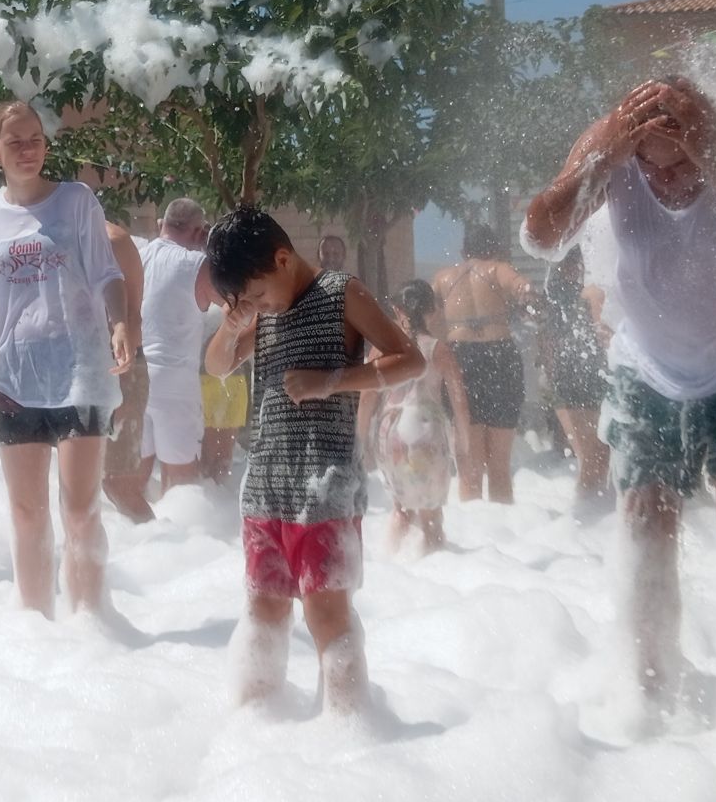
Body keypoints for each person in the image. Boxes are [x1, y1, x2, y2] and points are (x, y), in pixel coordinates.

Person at [524, 78, 716, 720]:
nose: (670, 179)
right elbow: (542, 234)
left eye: (682, 159)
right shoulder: (609, 150)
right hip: (646, 365)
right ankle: (647, 698)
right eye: (654, 161)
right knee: (646, 523)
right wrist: (601, 157)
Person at [202, 205, 423, 715]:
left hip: (325, 486)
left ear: (283, 259)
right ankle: (255, 726)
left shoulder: (339, 292)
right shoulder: (265, 313)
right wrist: (232, 327)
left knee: (326, 615)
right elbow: (217, 368)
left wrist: (332, 382)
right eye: (248, 301)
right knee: (263, 611)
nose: (258, 304)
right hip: (266, 486)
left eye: (257, 293)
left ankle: (349, 732)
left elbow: (410, 359)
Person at [0, 100, 133, 618]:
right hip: (12, 375)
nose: (28, 150)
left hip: (80, 370)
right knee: (27, 512)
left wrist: (120, 322)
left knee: (79, 509)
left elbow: (106, 275)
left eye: (35, 139)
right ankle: (35, 628)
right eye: (15, 142)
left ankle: (91, 624)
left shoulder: (76, 202)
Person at [359, 279, 463, 553]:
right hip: (428, 431)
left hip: (391, 432)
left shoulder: (381, 349)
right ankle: (434, 568)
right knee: (431, 515)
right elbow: (459, 399)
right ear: (432, 310)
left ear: (396, 309)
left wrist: (361, 441)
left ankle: (391, 567)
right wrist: (463, 439)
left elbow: (367, 397)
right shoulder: (438, 349)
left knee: (401, 510)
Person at [433, 223, 531, 502]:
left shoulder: (443, 278)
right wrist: (528, 296)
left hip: (460, 360)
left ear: (464, 250)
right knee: (499, 465)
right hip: (500, 357)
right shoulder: (497, 268)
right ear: (494, 249)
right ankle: (504, 535)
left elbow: (424, 313)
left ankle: (476, 535)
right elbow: (520, 285)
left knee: (469, 467)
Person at [135, 198, 211, 498]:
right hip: (176, 383)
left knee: (132, 480)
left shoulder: (137, 254)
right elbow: (236, 307)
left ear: (161, 225)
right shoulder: (196, 264)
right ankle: (183, 541)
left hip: (135, 376)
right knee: (181, 484)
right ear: (199, 233)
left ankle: (138, 539)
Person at [539, 248, 611, 508]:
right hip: (587, 379)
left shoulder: (556, 296)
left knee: (590, 457)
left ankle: (587, 519)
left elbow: (547, 340)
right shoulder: (591, 292)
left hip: (566, 379)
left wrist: (551, 379)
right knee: (597, 457)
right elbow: (605, 336)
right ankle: (590, 518)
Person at [101, 220, 153, 523]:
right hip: (86, 371)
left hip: (120, 368)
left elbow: (133, 316)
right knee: (87, 484)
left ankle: (166, 558)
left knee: (117, 483)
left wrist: (122, 393)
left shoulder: (113, 241)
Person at [199, 306, 248, 487]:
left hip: (232, 375)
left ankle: (216, 506)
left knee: (222, 458)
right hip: (209, 374)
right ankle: (209, 505)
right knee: (212, 457)